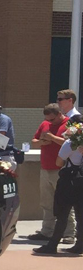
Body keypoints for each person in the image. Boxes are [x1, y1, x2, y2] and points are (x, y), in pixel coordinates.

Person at [34, 114, 83, 255]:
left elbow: (59, 162)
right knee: (80, 215)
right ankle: (80, 244)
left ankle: (52, 245)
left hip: (69, 181)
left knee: (62, 213)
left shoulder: (70, 143)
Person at [30, 103, 75, 245]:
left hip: (61, 170)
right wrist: (43, 141)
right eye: (47, 119)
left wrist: (52, 138)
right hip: (45, 168)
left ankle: (69, 233)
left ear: (59, 114)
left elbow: (72, 143)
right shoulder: (44, 124)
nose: (49, 122)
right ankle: (47, 231)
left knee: (65, 202)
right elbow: (34, 142)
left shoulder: (69, 123)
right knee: (46, 202)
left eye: (52, 119)